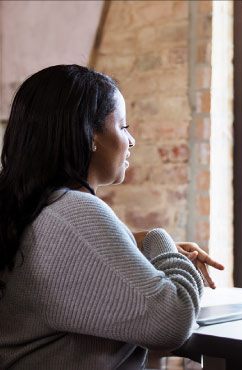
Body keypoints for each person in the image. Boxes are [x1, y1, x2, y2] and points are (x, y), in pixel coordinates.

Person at [0, 65, 224, 369]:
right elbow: (173, 321)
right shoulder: (74, 211)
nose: (131, 141)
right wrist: (161, 239)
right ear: (91, 134)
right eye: (123, 126)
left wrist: (133, 243)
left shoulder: (31, 207)